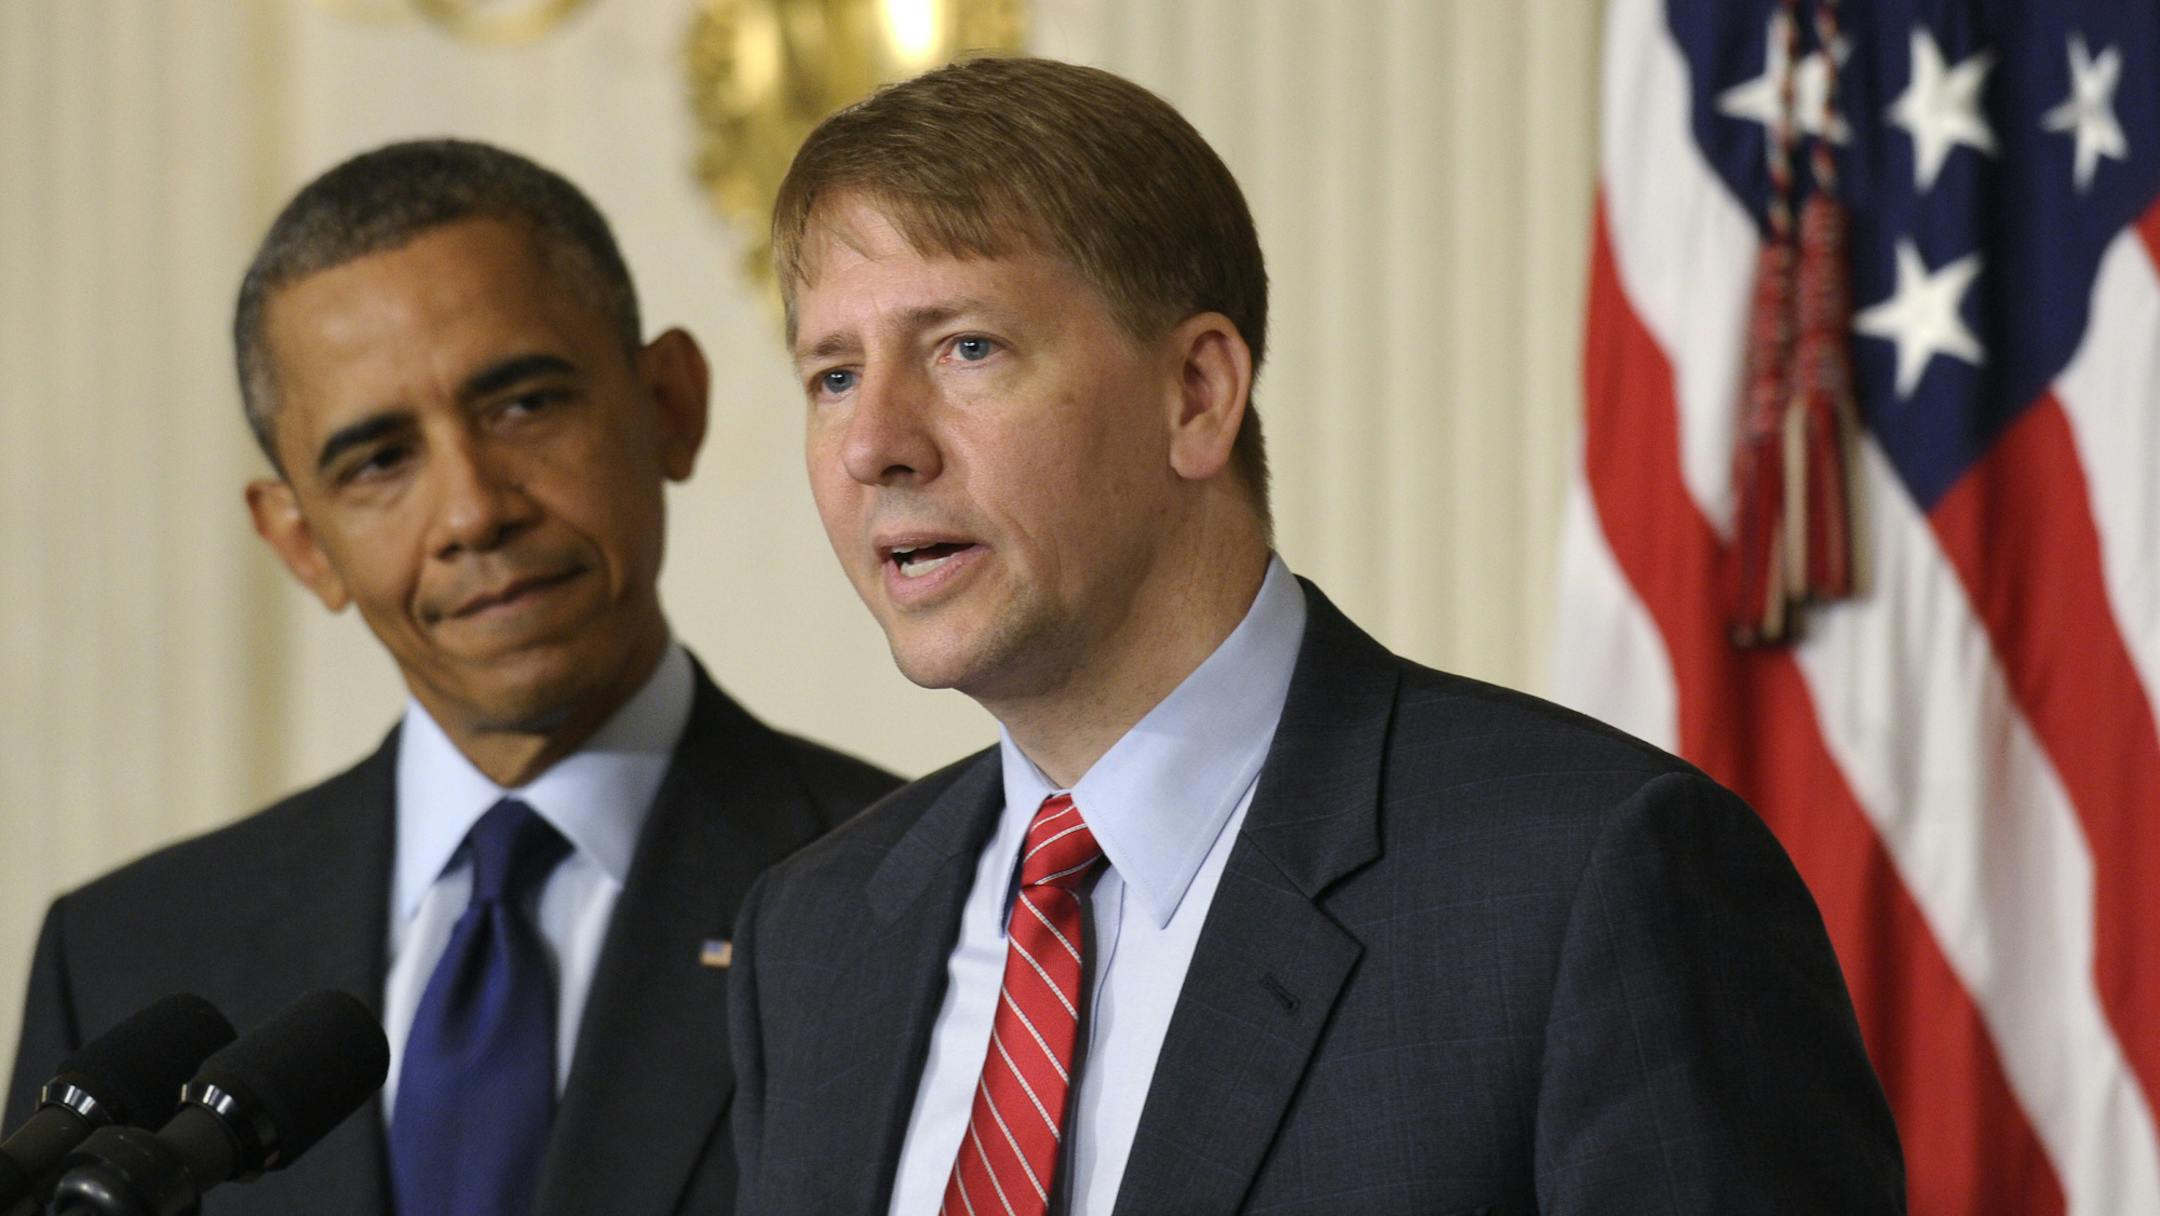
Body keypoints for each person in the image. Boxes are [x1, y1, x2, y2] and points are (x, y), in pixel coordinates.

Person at [727, 57, 1904, 1215]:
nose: (874, 441)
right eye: (833, 375)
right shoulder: (815, 932)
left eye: (965, 348)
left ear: (1197, 393)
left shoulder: (1587, 883)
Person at [5, 139, 899, 1216]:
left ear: (669, 402)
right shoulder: (124, 953)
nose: (474, 510)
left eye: (525, 404)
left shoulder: (913, 899)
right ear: (300, 543)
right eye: (379, 460)